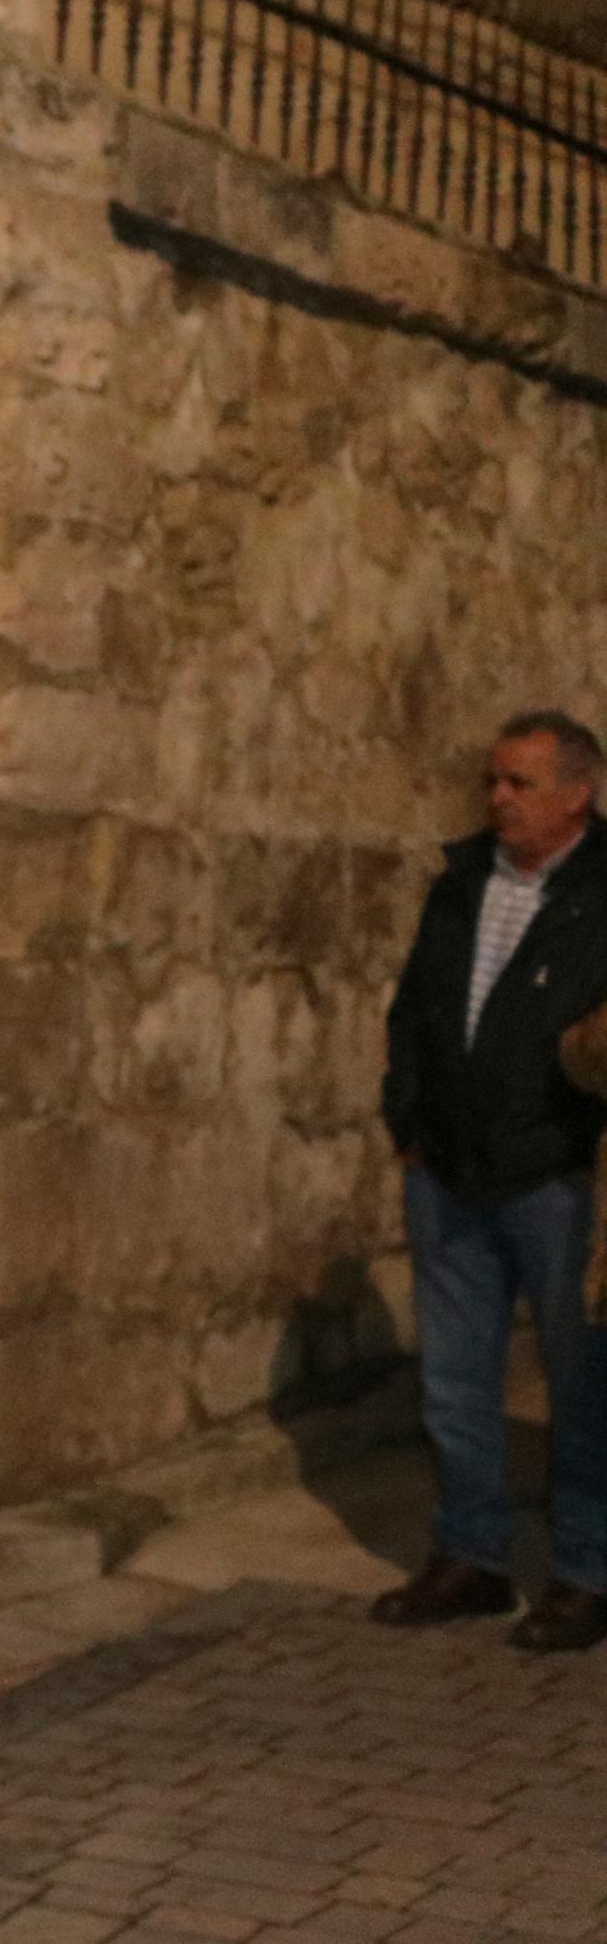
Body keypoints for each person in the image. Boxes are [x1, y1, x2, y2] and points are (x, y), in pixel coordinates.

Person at [377, 709, 607, 1654]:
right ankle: (469, 1553)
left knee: (581, 1381)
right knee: (454, 1378)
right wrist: (408, 1120)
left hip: (560, 1175)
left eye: (519, 782)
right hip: (448, 1172)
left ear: (577, 793)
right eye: (492, 782)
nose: (498, 798)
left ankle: (586, 1570)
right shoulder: (461, 879)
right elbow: (415, 1007)